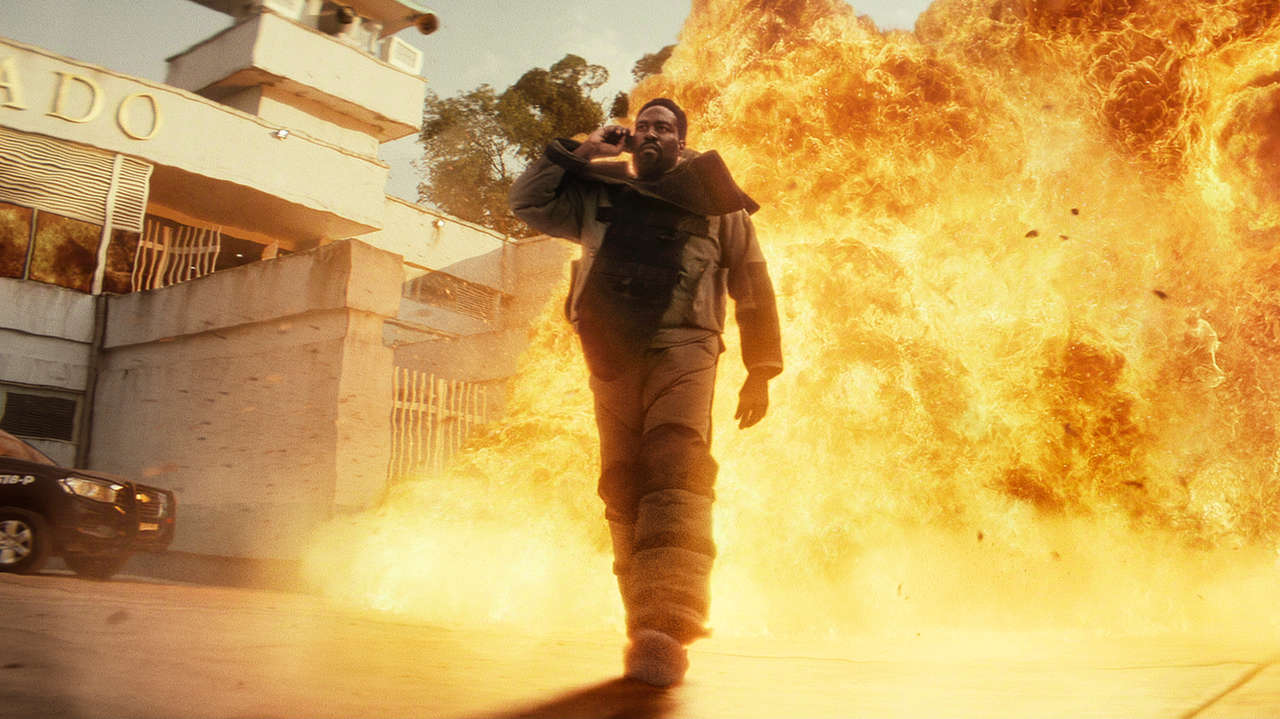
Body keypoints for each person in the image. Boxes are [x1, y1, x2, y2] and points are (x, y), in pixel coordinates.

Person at [508, 98, 783, 686]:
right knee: (621, 480)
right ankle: (644, 623)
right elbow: (527, 203)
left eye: (665, 127)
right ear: (632, 139)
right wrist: (582, 154)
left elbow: (752, 282)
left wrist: (760, 368)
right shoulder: (599, 189)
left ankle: (669, 620)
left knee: (676, 460)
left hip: (686, 344)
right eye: (645, 127)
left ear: (682, 141)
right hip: (610, 350)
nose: (653, 133)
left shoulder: (717, 199)